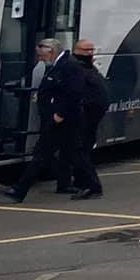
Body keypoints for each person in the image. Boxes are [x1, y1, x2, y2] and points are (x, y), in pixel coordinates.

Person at [2, 39, 72, 201]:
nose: (40, 58)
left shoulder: (68, 66)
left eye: (41, 55)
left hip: (62, 120)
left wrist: (59, 114)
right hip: (57, 119)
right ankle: (84, 184)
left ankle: (19, 191)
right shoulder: (56, 65)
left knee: (42, 154)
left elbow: (73, 92)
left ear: (51, 51)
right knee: (73, 153)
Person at [52, 38, 108, 200]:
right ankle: (80, 183)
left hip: (89, 114)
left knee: (79, 150)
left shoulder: (85, 67)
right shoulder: (77, 67)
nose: (90, 54)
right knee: (77, 150)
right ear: (77, 51)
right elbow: (73, 92)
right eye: (87, 51)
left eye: (92, 50)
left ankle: (90, 186)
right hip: (83, 113)